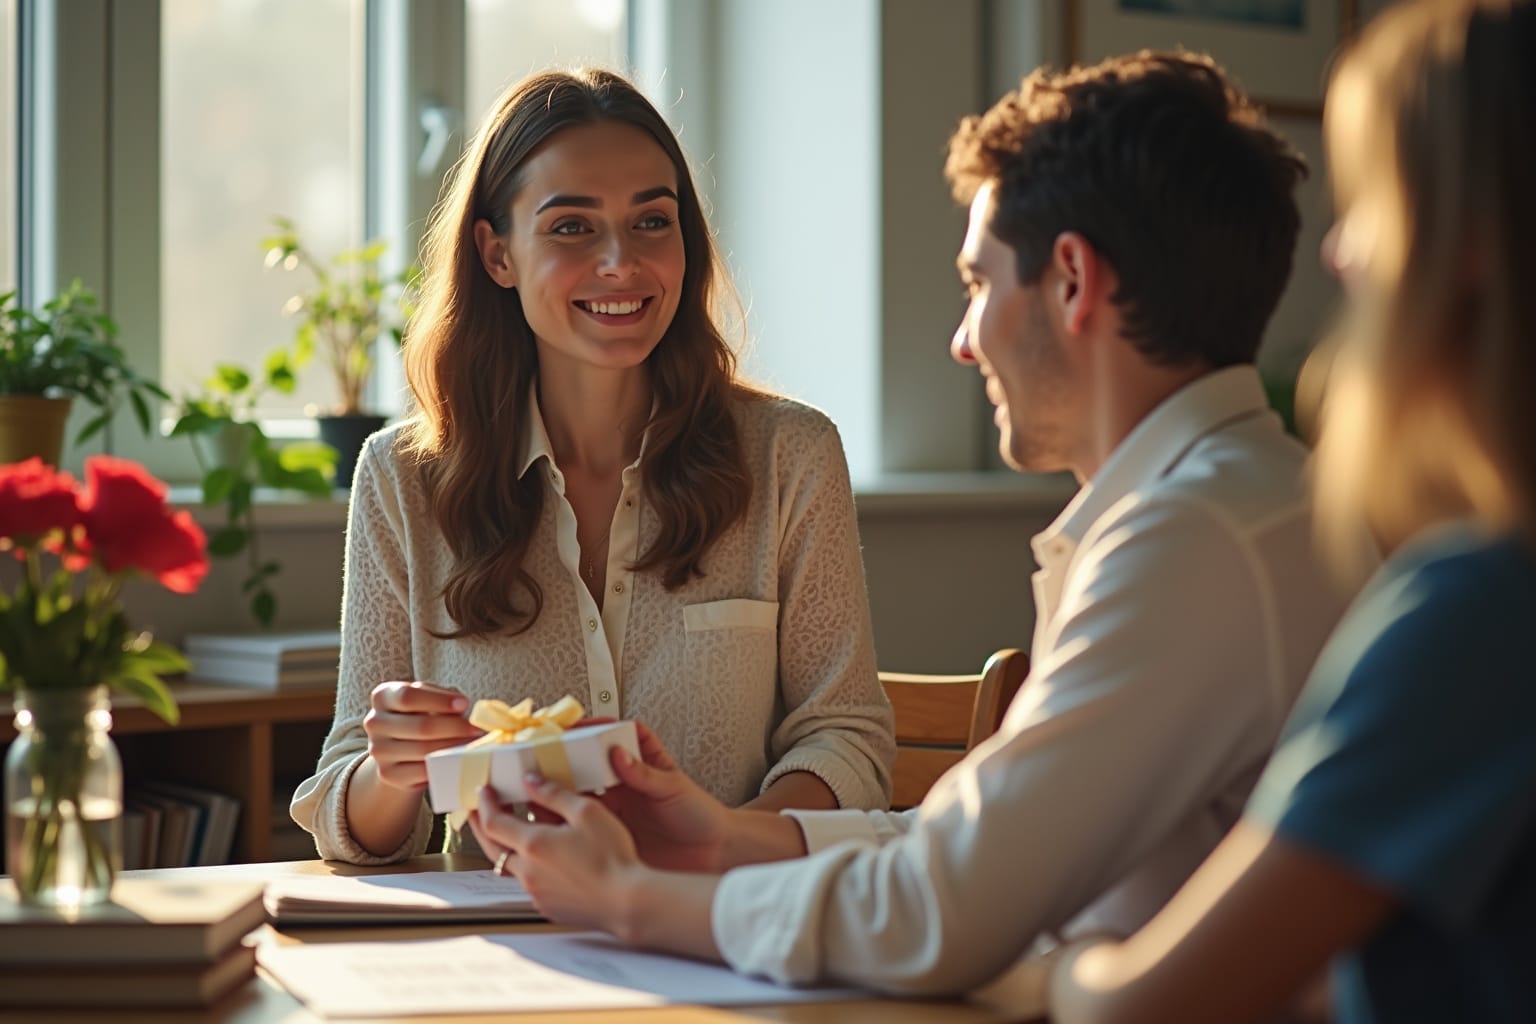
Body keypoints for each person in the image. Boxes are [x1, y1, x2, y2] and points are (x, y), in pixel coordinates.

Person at [468, 51, 1356, 994]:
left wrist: (629, 899)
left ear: (1071, 281)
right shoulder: (1235, 505)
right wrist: (723, 836)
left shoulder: (1190, 543)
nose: (964, 341)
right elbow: (976, 849)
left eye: (979, 284)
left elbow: (939, 912)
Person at [1043, 2, 1536, 1021]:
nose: (1339, 254)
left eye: (1374, 202)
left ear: (1473, 238)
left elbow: (1140, 1009)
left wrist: (1066, 955)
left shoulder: (1481, 606)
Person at [291, 68, 896, 865]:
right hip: (503, 929)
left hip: (722, 915)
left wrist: (713, 850)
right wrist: (393, 767)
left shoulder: (791, 454)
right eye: (572, 227)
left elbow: (845, 740)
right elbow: (352, 819)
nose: (621, 262)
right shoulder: (402, 477)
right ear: (497, 254)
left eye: (652, 221)